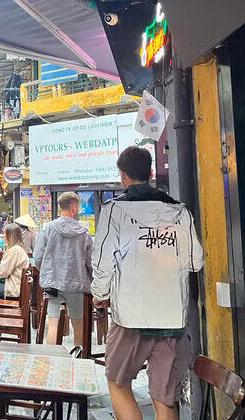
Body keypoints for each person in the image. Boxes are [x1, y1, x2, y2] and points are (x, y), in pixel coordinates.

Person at [92, 146, 205, 420]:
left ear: (122, 175)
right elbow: (195, 261)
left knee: (118, 382)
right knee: (165, 397)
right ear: (151, 172)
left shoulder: (114, 210)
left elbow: (103, 262)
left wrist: (99, 293)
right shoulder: (179, 212)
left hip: (131, 317)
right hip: (171, 318)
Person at [34, 192, 93, 346]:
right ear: (74, 208)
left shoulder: (48, 228)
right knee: (78, 324)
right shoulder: (84, 233)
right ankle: (79, 359)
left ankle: (54, 360)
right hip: (77, 284)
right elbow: (90, 262)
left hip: (53, 284)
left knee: (53, 323)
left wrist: (47, 272)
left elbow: (38, 257)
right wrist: (91, 280)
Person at [0, 224, 29, 304]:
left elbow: (3, 272)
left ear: (10, 236)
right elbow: (6, 268)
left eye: (5, 233)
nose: (3, 236)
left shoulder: (15, 250)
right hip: (15, 284)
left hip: (13, 287)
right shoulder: (17, 248)